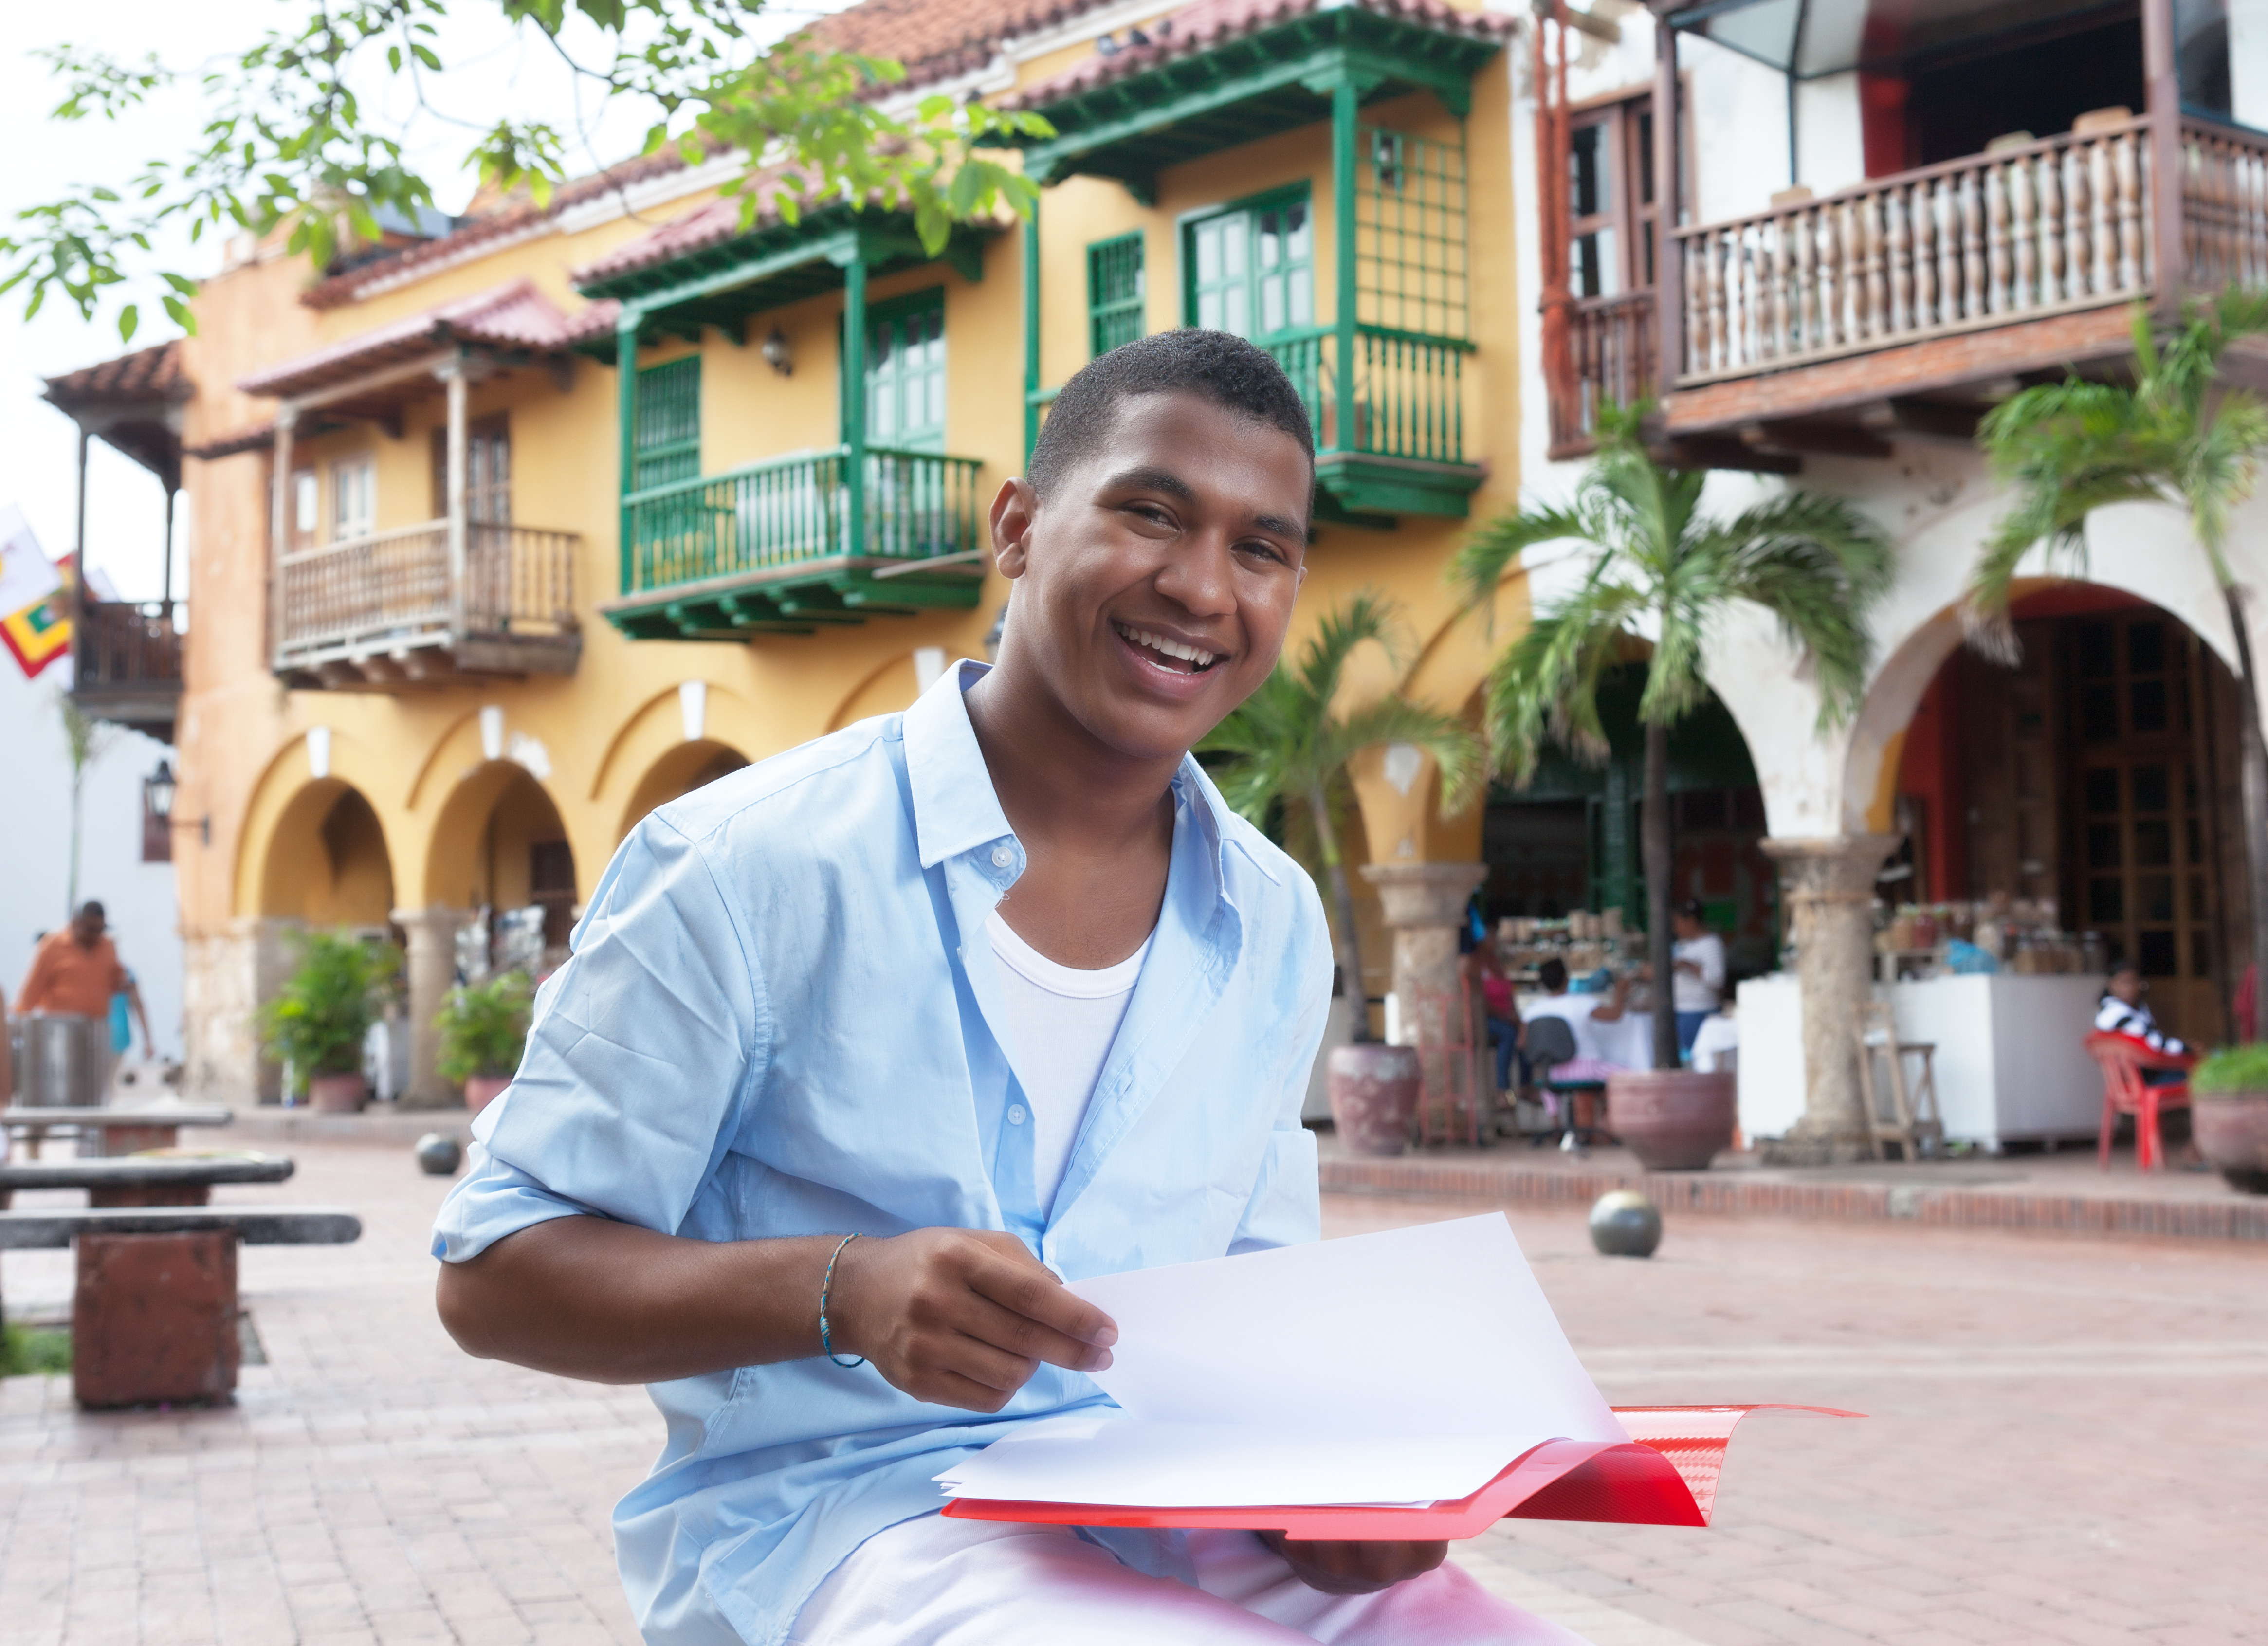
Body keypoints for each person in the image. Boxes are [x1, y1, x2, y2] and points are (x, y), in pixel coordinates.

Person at [429, 332, 1586, 1646]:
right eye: (1151, 513)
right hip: (848, 1525)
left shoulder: (1269, 915)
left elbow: (1251, 1316)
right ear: (1020, 527)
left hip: (1174, 1510)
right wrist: (842, 1286)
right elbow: (493, 1275)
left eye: (1261, 548)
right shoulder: (743, 866)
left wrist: (1336, 1499)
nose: (1203, 585)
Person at [15, 902, 151, 1059]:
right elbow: (32, 990)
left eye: (100, 930)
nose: (95, 935)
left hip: (97, 1032)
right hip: (61, 1033)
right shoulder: (53, 946)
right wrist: (18, 1028)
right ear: (76, 923)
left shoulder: (107, 946)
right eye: (90, 929)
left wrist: (123, 983)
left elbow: (119, 981)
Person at [2096, 962, 2192, 1085]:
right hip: (2142, 1079)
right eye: (2123, 983)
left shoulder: (2137, 1007)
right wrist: (2186, 1048)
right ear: (2111, 985)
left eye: (2133, 982)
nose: (2128, 988)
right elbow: (2154, 1042)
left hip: (2145, 1075)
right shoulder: (2115, 1013)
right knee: (2195, 1076)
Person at [1668, 900, 1726, 1060]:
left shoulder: (1711, 943)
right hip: (1680, 1011)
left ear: (1691, 921)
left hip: (1699, 1012)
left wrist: (1688, 965)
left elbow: (1717, 980)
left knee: (1698, 1059)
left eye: (1677, 923)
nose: (1675, 928)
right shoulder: (1680, 945)